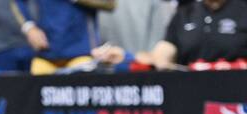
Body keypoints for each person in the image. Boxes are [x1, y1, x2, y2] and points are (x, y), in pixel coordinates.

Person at [93, 0, 247, 70]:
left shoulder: (242, 10)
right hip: (192, 93)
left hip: (236, 95)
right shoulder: (185, 13)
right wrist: (126, 56)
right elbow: (160, 58)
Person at [11, 0, 114, 75]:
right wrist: (29, 28)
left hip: (82, 55)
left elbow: (110, 3)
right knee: (33, 96)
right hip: (46, 54)